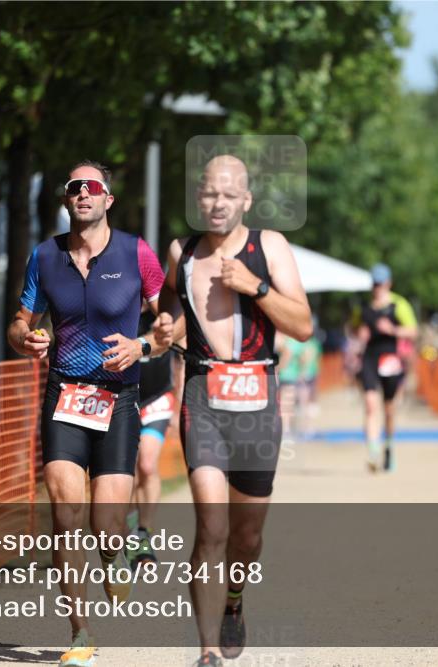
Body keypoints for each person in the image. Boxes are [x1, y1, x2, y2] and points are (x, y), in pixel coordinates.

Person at [6, 160, 171, 667]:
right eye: (75, 187)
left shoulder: (136, 252)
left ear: (108, 200)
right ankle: (79, 631)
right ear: (66, 200)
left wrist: (143, 345)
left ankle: (115, 554)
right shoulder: (44, 256)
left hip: (119, 397)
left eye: (92, 187)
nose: (83, 193)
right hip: (64, 397)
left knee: (105, 522)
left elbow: (172, 324)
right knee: (65, 516)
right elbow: (18, 323)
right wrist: (25, 339)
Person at [156, 154, 312, 667]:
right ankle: (206, 651)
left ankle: (235, 600)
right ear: (197, 198)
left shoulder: (270, 247)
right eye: (209, 194)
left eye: (228, 195)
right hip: (202, 398)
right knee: (212, 529)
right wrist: (162, 332)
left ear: (245, 199)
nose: (217, 203)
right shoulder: (182, 251)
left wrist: (256, 287)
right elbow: (175, 318)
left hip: (258, 402)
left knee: (246, 538)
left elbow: (303, 325)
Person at [124, 308, 177, 568]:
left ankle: (144, 533)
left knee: (146, 463)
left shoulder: (164, 314)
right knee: (128, 472)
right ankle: (128, 527)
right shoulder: (118, 305)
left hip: (158, 398)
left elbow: (182, 353)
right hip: (125, 399)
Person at [356, 263, 418, 472]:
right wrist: (360, 333)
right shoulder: (364, 308)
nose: (377, 287)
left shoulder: (399, 305)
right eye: (374, 283)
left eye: (380, 283)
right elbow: (354, 327)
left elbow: (413, 331)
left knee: (389, 409)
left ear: (388, 283)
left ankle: (389, 447)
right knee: (370, 405)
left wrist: (392, 329)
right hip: (370, 359)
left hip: (390, 360)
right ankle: (373, 453)